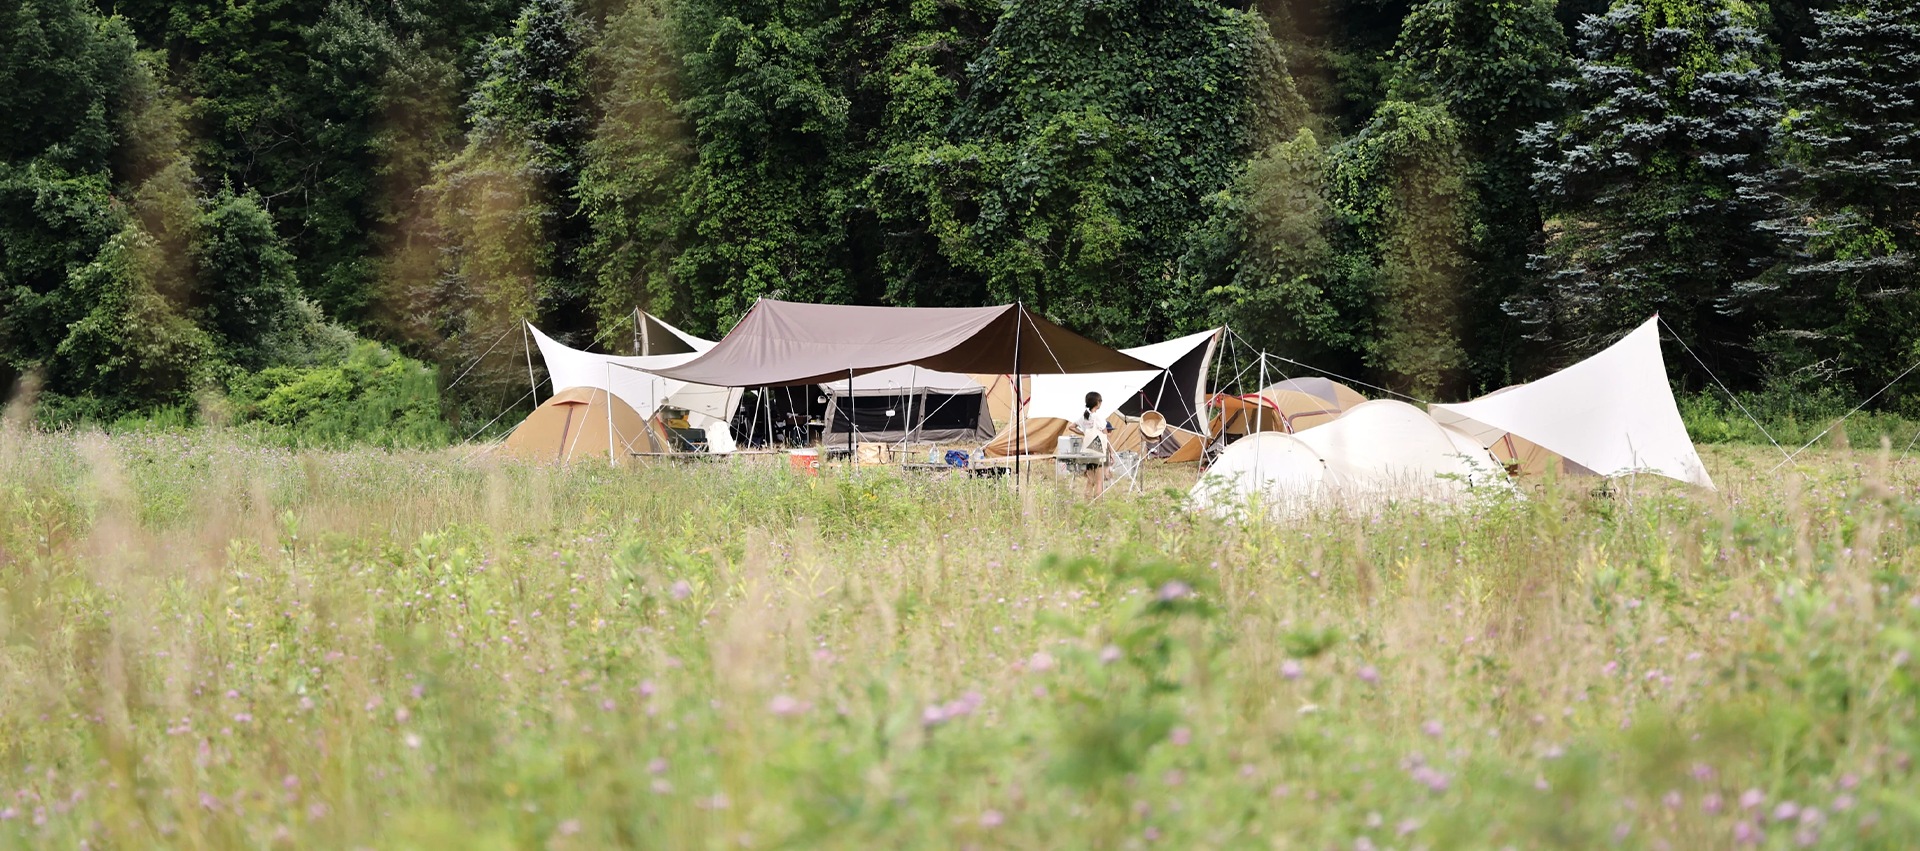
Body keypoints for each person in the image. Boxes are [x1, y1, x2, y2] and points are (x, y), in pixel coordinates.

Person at [1068, 391, 1111, 498]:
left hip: (1087, 451)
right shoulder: (1098, 417)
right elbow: (1105, 436)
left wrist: (1084, 433)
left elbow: (1071, 427)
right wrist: (1110, 452)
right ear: (1097, 403)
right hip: (1098, 450)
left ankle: (1086, 501)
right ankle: (1097, 502)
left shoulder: (1084, 417)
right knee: (1099, 481)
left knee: (1090, 480)